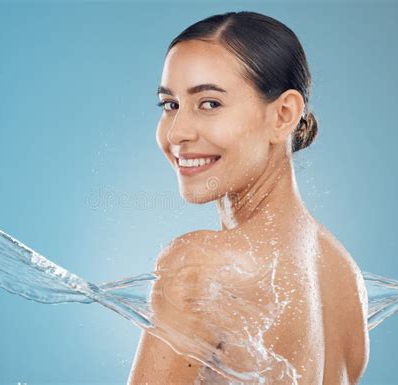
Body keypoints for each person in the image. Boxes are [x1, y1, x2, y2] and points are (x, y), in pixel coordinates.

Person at [128, 11, 369, 385]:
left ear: (283, 115)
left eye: (209, 103)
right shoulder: (345, 276)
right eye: (170, 105)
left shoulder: (200, 266)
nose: (177, 132)